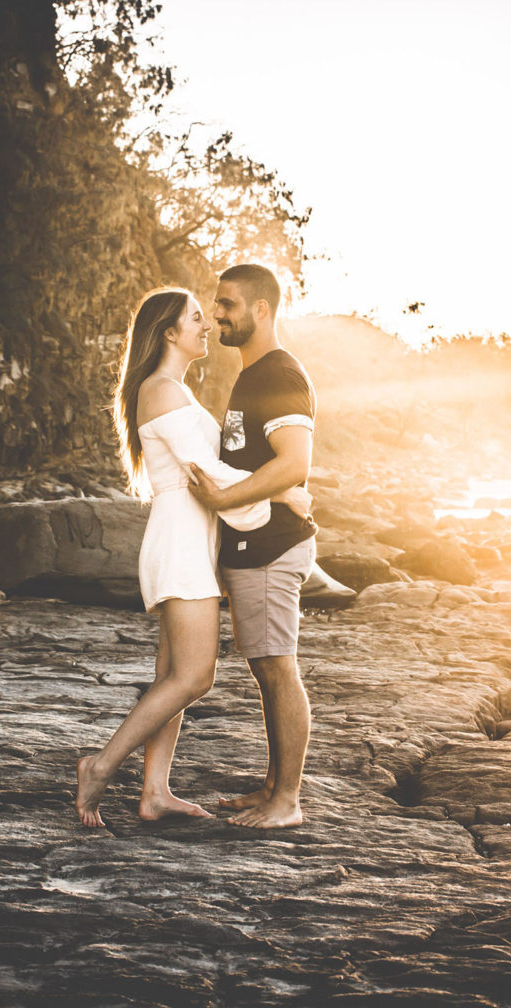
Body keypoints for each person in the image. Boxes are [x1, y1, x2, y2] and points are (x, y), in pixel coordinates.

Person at [75, 287, 310, 827]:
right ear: (169, 333)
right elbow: (210, 475)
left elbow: (213, 471)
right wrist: (281, 492)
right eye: (197, 318)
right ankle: (101, 766)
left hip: (190, 538)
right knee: (194, 677)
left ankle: (154, 792)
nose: (208, 326)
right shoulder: (160, 391)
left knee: (169, 673)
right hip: (181, 541)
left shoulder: (171, 389)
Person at [188, 264, 317, 829]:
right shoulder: (253, 375)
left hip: (270, 548)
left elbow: (295, 461)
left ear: (261, 309)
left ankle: (287, 800)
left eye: (228, 304)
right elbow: (270, 466)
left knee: (277, 667)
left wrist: (222, 499)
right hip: (254, 544)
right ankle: (271, 785)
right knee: (266, 668)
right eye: (217, 305)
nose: (218, 314)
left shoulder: (279, 374)